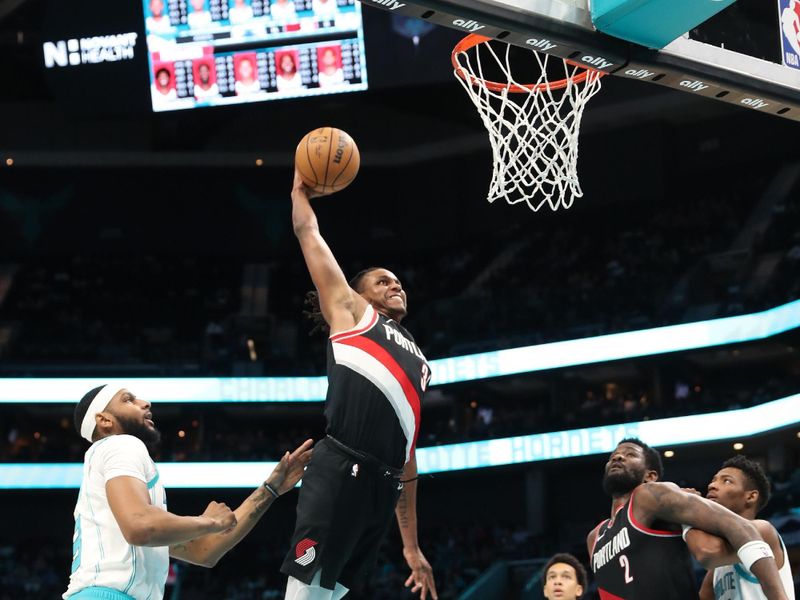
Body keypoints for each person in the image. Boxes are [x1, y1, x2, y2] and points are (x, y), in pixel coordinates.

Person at [279, 172, 437, 600]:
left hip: (383, 486)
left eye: (397, 280)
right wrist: (299, 193)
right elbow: (308, 233)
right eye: (383, 281)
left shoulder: (420, 360)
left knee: (334, 594)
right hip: (340, 464)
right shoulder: (352, 314)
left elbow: (409, 459)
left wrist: (410, 545)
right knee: (306, 586)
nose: (395, 284)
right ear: (358, 294)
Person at [64, 384, 313, 600]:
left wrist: (270, 490)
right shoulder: (121, 444)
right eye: (128, 399)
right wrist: (209, 521)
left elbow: (203, 551)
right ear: (105, 420)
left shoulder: (116, 486)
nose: (144, 402)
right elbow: (140, 526)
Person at [587, 439, 790, 600]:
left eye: (630, 454)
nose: (619, 457)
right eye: (614, 455)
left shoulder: (650, 496)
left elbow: (707, 552)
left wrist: (683, 515)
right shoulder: (594, 538)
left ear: (650, 476)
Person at [683, 455, 795, 600]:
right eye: (713, 480)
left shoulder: (762, 530)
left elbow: (706, 553)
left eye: (727, 481)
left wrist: (685, 510)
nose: (712, 485)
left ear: (751, 497)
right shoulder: (716, 569)